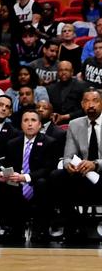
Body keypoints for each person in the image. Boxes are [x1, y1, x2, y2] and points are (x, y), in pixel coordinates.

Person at [0, 109, 58, 244]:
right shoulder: (12, 143)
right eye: (26, 120)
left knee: (43, 183)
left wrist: (25, 177)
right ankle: (11, 228)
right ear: (21, 125)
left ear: (39, 125)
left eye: (33, 120)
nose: (30, 124)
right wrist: (3, 175)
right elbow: (7, 166)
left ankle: (40, 230)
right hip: (16, 181)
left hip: (36, 181)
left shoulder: (50, 142)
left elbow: (48, 168)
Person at [49, 89, 102, 243]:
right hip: (83, 173)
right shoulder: (75, 124)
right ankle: (75, 225)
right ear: (82, 104)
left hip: (100, 172)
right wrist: (68, 166)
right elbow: (67, 156)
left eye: (95, 100)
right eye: (87, 101)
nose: (91, 105)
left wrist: (95, 164)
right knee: (56, 177)